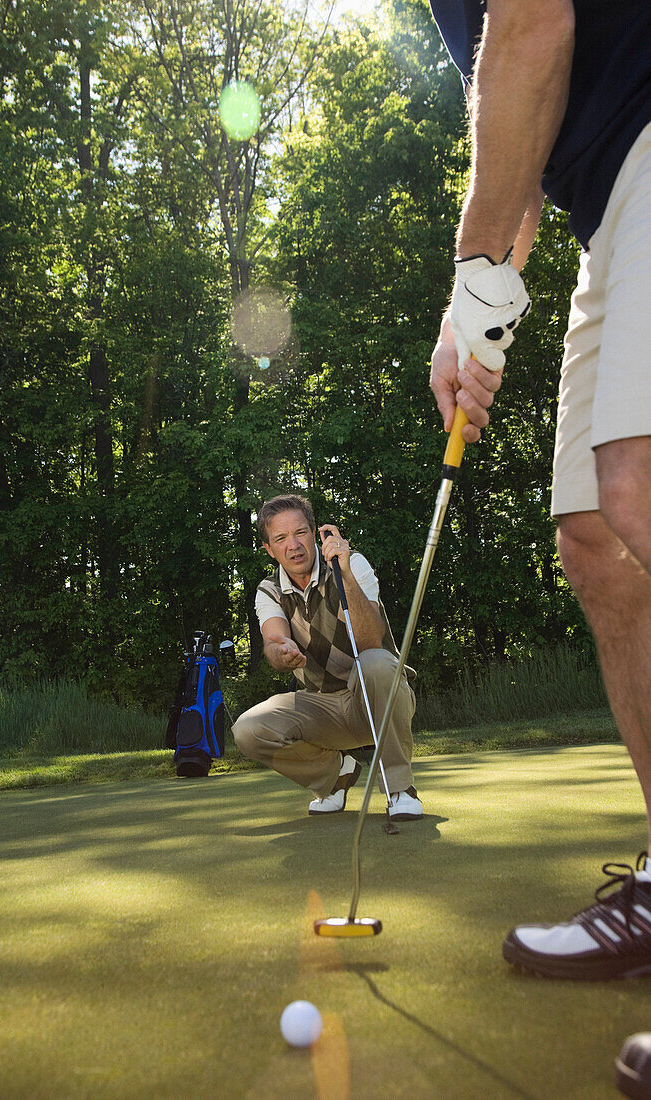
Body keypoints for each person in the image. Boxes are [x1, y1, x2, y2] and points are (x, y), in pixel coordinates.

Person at [427, 0, 651, 979]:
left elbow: (532, 22)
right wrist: (486, 306)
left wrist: (471, 284)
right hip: (607, 200)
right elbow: (528, 110)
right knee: (596, 536)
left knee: (636, 477)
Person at [232, 494, 423, 820]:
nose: (294, 545)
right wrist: (281, 652)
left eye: (300, 532)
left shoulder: (352, 564)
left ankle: (399, 789)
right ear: (269, 549)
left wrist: (345, 575)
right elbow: (274, 643)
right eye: (281, 538)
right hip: (323, 708)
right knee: (248, 730)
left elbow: (370, 641)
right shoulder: (269, 590)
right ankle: (336, 775)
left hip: (375, 699)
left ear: (313, 532)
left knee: (375, 662)